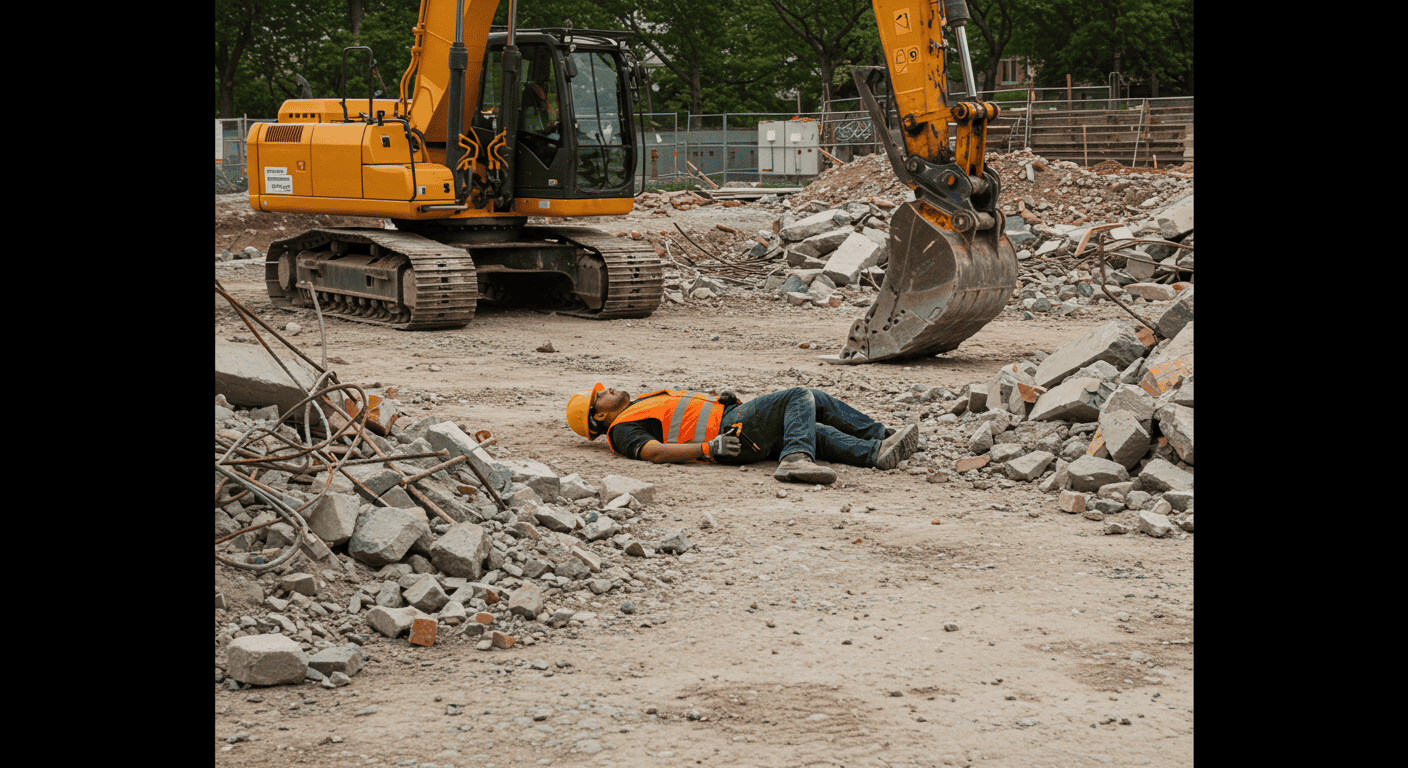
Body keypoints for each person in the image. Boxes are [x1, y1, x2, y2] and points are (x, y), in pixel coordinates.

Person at [564, 383, 919, 485]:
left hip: (730, 421)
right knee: (799, 396)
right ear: (598, 414)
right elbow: (654, 452)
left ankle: (878, 446)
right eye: (600, 395)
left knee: (810, 419)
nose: (607, 390)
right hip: (729, 436)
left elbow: (686, 415)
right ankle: (795, 460)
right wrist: (709, 447)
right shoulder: (621, 430)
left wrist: (721, 402)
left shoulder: (638, 405)